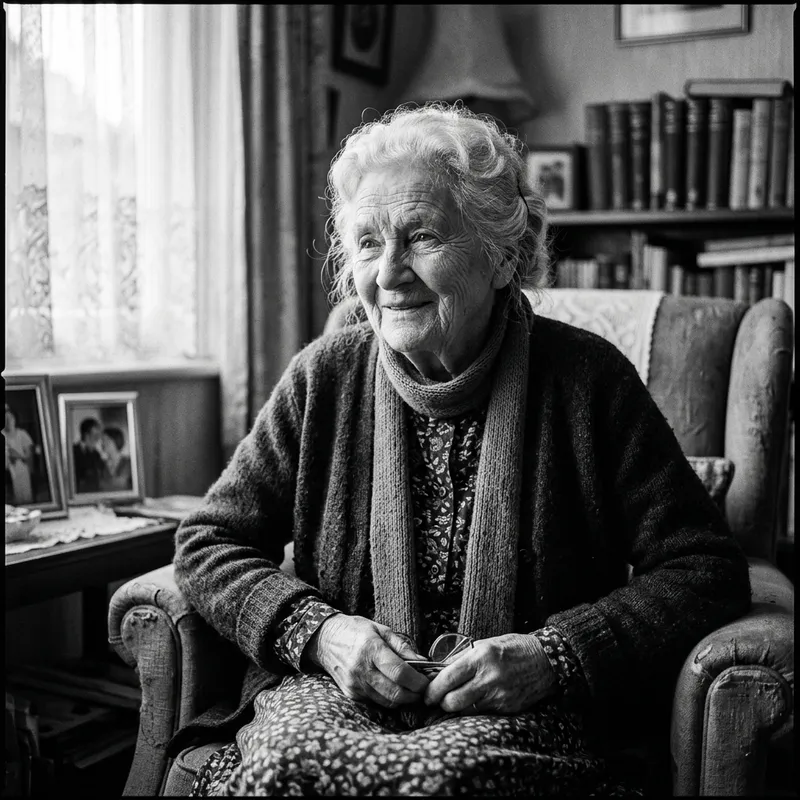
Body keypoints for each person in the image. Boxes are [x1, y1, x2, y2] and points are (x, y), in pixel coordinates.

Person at [171, 104, 751, 796]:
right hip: (336, 690)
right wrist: (321, 633)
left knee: (438, 782)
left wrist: (554, 656)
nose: (389, 273)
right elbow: (208, 541)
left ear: (503, 256)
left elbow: (704, 567)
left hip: (523, 710)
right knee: (289, 764)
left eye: (421, 237)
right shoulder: (323, 377)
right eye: (367, 244)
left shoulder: (589, 382)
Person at [4, 404, 35, 505]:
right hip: (8, 470)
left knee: (25, 494)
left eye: (10, 418)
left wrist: (17, 456)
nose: (8, 421)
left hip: (22, 468)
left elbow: (28, 454)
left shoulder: (22, 434)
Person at [73, 417, 105, 494]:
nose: (98, 439)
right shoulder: (72, 451)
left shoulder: (96, 454)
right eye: (95, 435)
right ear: (86, 435)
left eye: (98, 435)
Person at [98, 427, 133, 493]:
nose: (103, 443)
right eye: (103, 440)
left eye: (107, 440)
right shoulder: (100, 464)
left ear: (116, 440)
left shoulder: (129, 463)